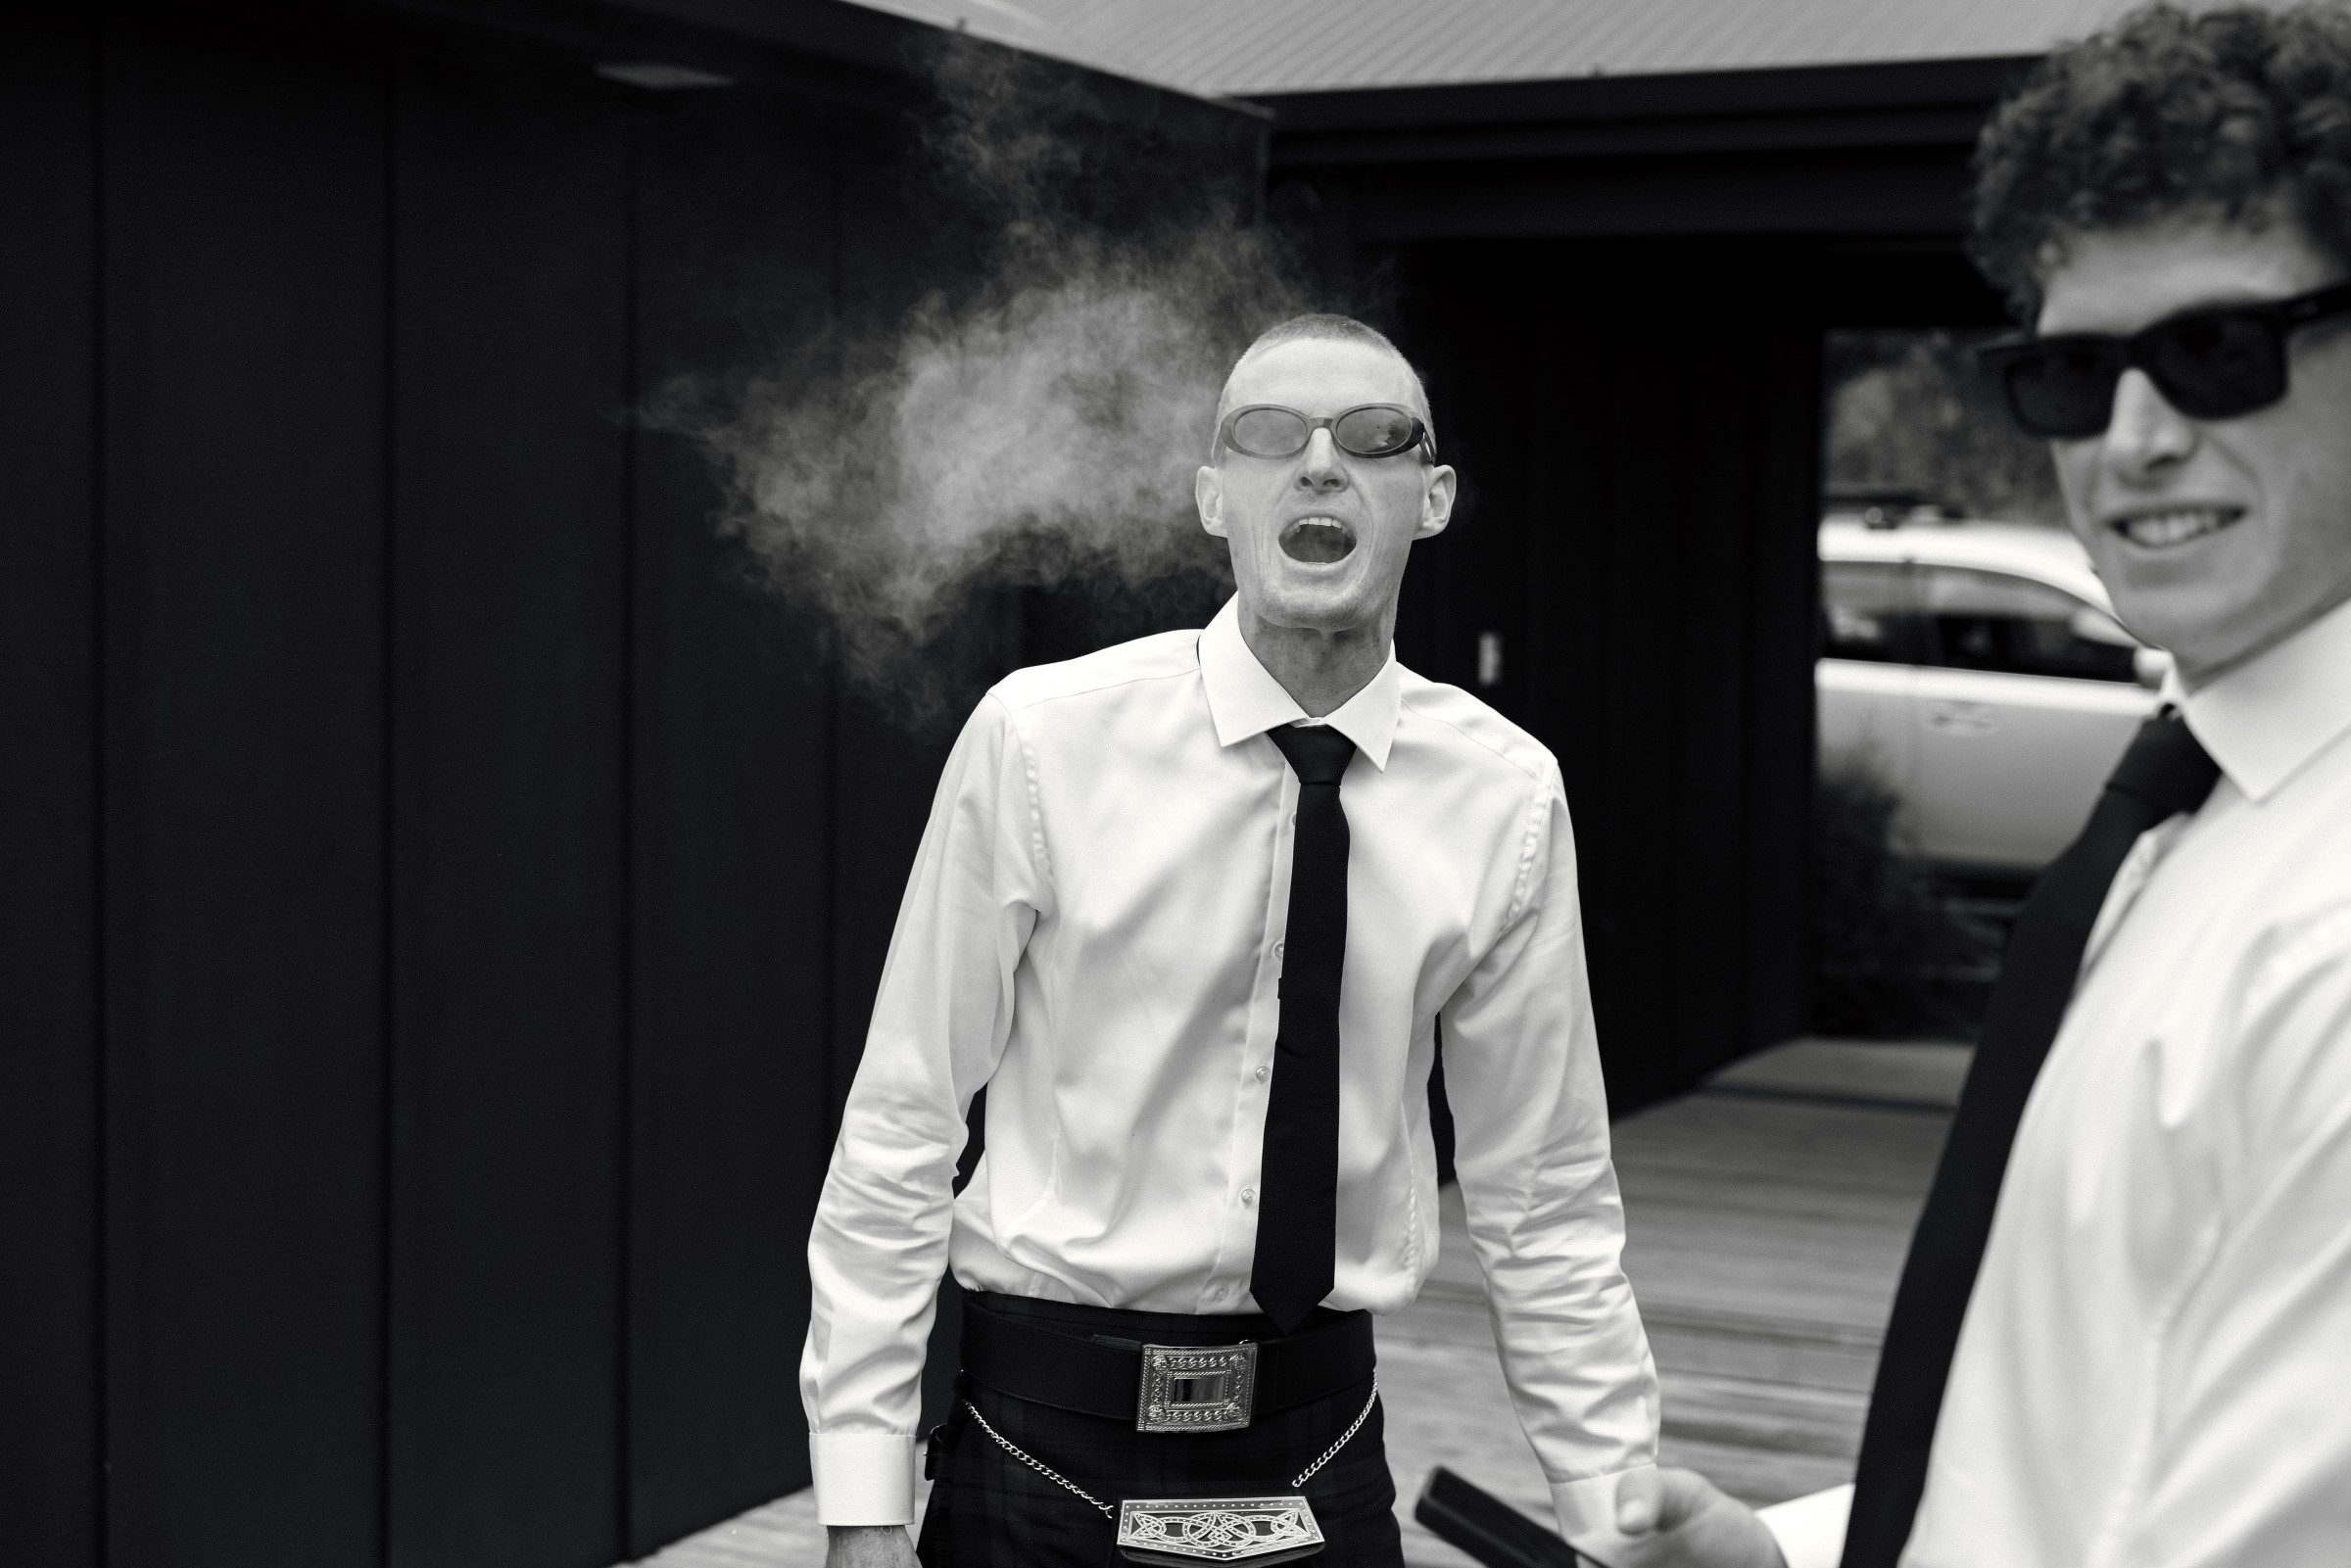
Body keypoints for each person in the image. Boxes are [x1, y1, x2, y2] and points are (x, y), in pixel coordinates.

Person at [1587, 7, 2351, 1566]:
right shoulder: (2195, 813)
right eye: (2073, 372)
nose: (2134, 438)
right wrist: (1807, 1552)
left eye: (2217, 350)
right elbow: (2092, 1426)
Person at [808, 313, 1660, 1567]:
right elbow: (904, 1119)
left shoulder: (1506, 795)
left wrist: (1615, 1516)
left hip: (1319, 1448)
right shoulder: (1041, 738)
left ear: (1431, 500)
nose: (1319, 464)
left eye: (1373, 437)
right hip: (1036, 1444)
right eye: (1270, 435)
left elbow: (1547, 1197)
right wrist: (863, 1500)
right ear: (1216, 496)